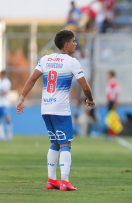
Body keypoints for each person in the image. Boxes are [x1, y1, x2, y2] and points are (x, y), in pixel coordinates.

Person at [16, 30, 95, 191]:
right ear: (66, 44)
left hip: (45, 107)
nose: (75, 43)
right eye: (73, 41)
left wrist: (22, 97)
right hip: (60, 109)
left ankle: (52, 180)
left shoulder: (45, 59)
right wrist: (90, 99)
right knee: (66, 143)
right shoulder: (72, 62)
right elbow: (85, 86)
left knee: (54, 142)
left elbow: (32, 79)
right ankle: (65, 181)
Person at [105, 70, 120, 138]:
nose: (107, 76)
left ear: (111, 75)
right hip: (111, 102)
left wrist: (115, 103)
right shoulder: (112, 82)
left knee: (112, 118)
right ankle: (111, 134)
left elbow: (115, 93)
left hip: (112, 102)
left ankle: (112, 134)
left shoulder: (113, 83)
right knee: (111, 117)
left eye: (108, 74)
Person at [0, 70, 13, 141]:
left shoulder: (7, 82)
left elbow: (5, 92)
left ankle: (9, 135)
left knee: (7, 119)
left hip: (5, 104)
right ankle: (1, 136)